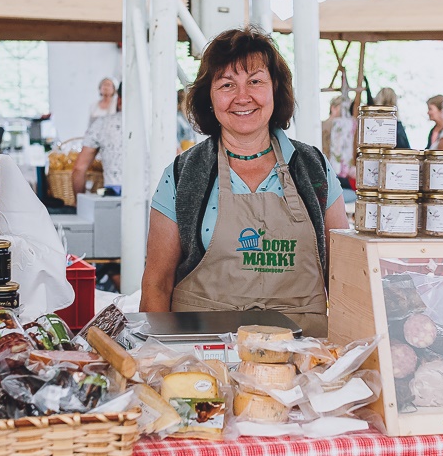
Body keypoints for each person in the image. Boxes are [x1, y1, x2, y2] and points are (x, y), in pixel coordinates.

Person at [140, 27, 349, 336]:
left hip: (303, 360)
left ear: (274, 89)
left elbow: (343, 280)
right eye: (227, 84)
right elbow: (157, 284)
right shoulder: (183, 175)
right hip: (204, 356)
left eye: (255, 81)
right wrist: (160, 359)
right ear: (209, 96)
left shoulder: (314, 169)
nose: (242, 97)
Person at [73, 84, 123, 194]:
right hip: (157, 198)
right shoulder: (158, 127)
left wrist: (80, 203)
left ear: (118, 100)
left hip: (116, 196)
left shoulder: (102, 124)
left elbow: (79, 168)